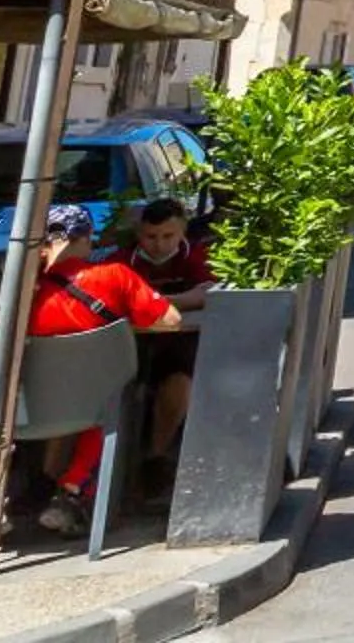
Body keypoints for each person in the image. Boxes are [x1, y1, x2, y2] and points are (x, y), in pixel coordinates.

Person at [19, 202, 184, 537]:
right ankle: (72, 492)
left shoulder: (21, 291)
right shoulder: (114, 276)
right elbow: (170, 321)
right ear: (86, 239)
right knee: (109, 400)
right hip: (88, 407)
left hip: (23, 410)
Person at [120, 198, 210, 498]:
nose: (159, 245)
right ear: (139, 234)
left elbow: (207, 291)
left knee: (179, 383)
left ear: (182, 230)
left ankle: (156, 459)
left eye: (168, 236)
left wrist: (153, 301)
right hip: (128, 348)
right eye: (151, 237)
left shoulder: (195, 257)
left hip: (177, 344)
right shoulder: (123, 261)